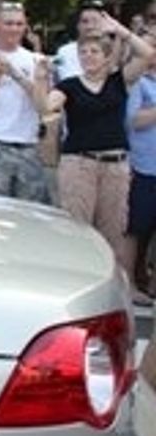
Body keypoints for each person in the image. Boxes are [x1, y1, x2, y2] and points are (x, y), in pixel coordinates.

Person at [47, 14, 154, 286]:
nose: (89, 56)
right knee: (77, 229)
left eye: (95, 51)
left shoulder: (119, 82)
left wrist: (121, 30)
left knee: (112, 232)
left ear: (107, 56)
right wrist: (39, 83)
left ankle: (104, 288)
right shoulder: (69, 85)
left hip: (115, 164)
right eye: (83, 52)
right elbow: (48, 106)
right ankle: (73, 283)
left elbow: (147, 55)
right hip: (80, 163)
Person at [0, 1, 51, 203]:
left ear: (25, 26)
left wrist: (28, 77)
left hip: (29, 147)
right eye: (8, 23)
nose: (13, 29)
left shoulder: (36, 60)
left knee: (31, 216)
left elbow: (43, 107)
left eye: (18, 24)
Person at [127, 30, 156, 304]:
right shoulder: (138, 82)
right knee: (137, 228)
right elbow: (132, 120)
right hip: (145, 165)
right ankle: (132, 281)